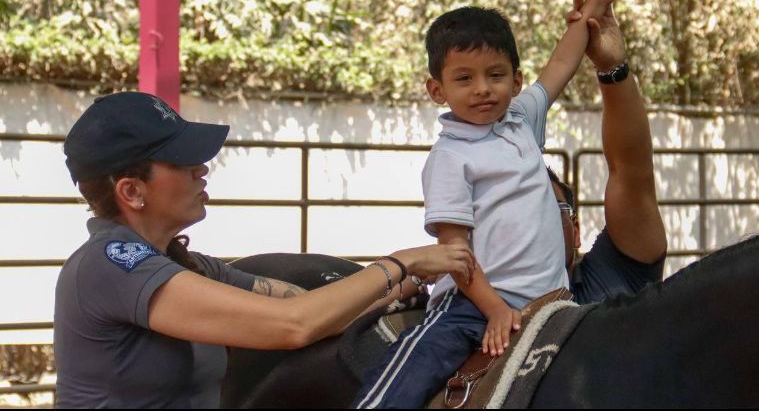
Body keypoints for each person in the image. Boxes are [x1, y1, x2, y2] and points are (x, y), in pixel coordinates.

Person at [53, 92, 475, 408]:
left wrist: (408, 284)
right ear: (132, 190)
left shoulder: (188, 267)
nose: (201, 170)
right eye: (182, 162)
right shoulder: (110, 264)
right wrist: (401, 262)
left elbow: (310, 307)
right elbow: (292, 324)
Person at [353, 0, 630, 409]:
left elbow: (564, 59)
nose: (482, 88)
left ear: (517, 81)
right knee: (416, 366)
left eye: (495, 75)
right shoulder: (451, 156)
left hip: (553, 304)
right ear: (437, 90)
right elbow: (453, 253)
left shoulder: (522, 119)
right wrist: (495, 309)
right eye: (464, 78)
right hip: (471, 303)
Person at [554, 0, 668, 304]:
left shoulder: (613, 274)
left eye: (548, 209)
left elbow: (630, 171)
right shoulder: (476, 317)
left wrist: (611, 68)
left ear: (575, 232)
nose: (533, 223)